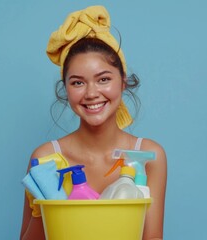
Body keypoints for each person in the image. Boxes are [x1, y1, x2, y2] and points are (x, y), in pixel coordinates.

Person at [20, 5, 167, 240]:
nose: (91, 93)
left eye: (103, 79)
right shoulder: (47, 158)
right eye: (78, 82)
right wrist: (45, 203)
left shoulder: (148, 156)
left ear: (123, 81)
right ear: (65, 89)